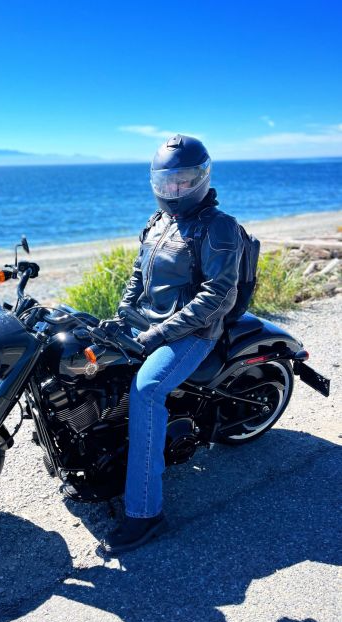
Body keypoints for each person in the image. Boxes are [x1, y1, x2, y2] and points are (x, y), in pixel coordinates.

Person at [100, 134, 244, 554]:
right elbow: (137, 273)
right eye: (166, 181)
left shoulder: (218, 226)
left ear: (201, 178)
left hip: (193, 332)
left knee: (146, 390)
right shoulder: (158, 221)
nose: (174, 189)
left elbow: (218, 295)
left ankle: (145, 513)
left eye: (183, 180)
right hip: (147, 323)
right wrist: (123, 311)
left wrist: (160, 334)